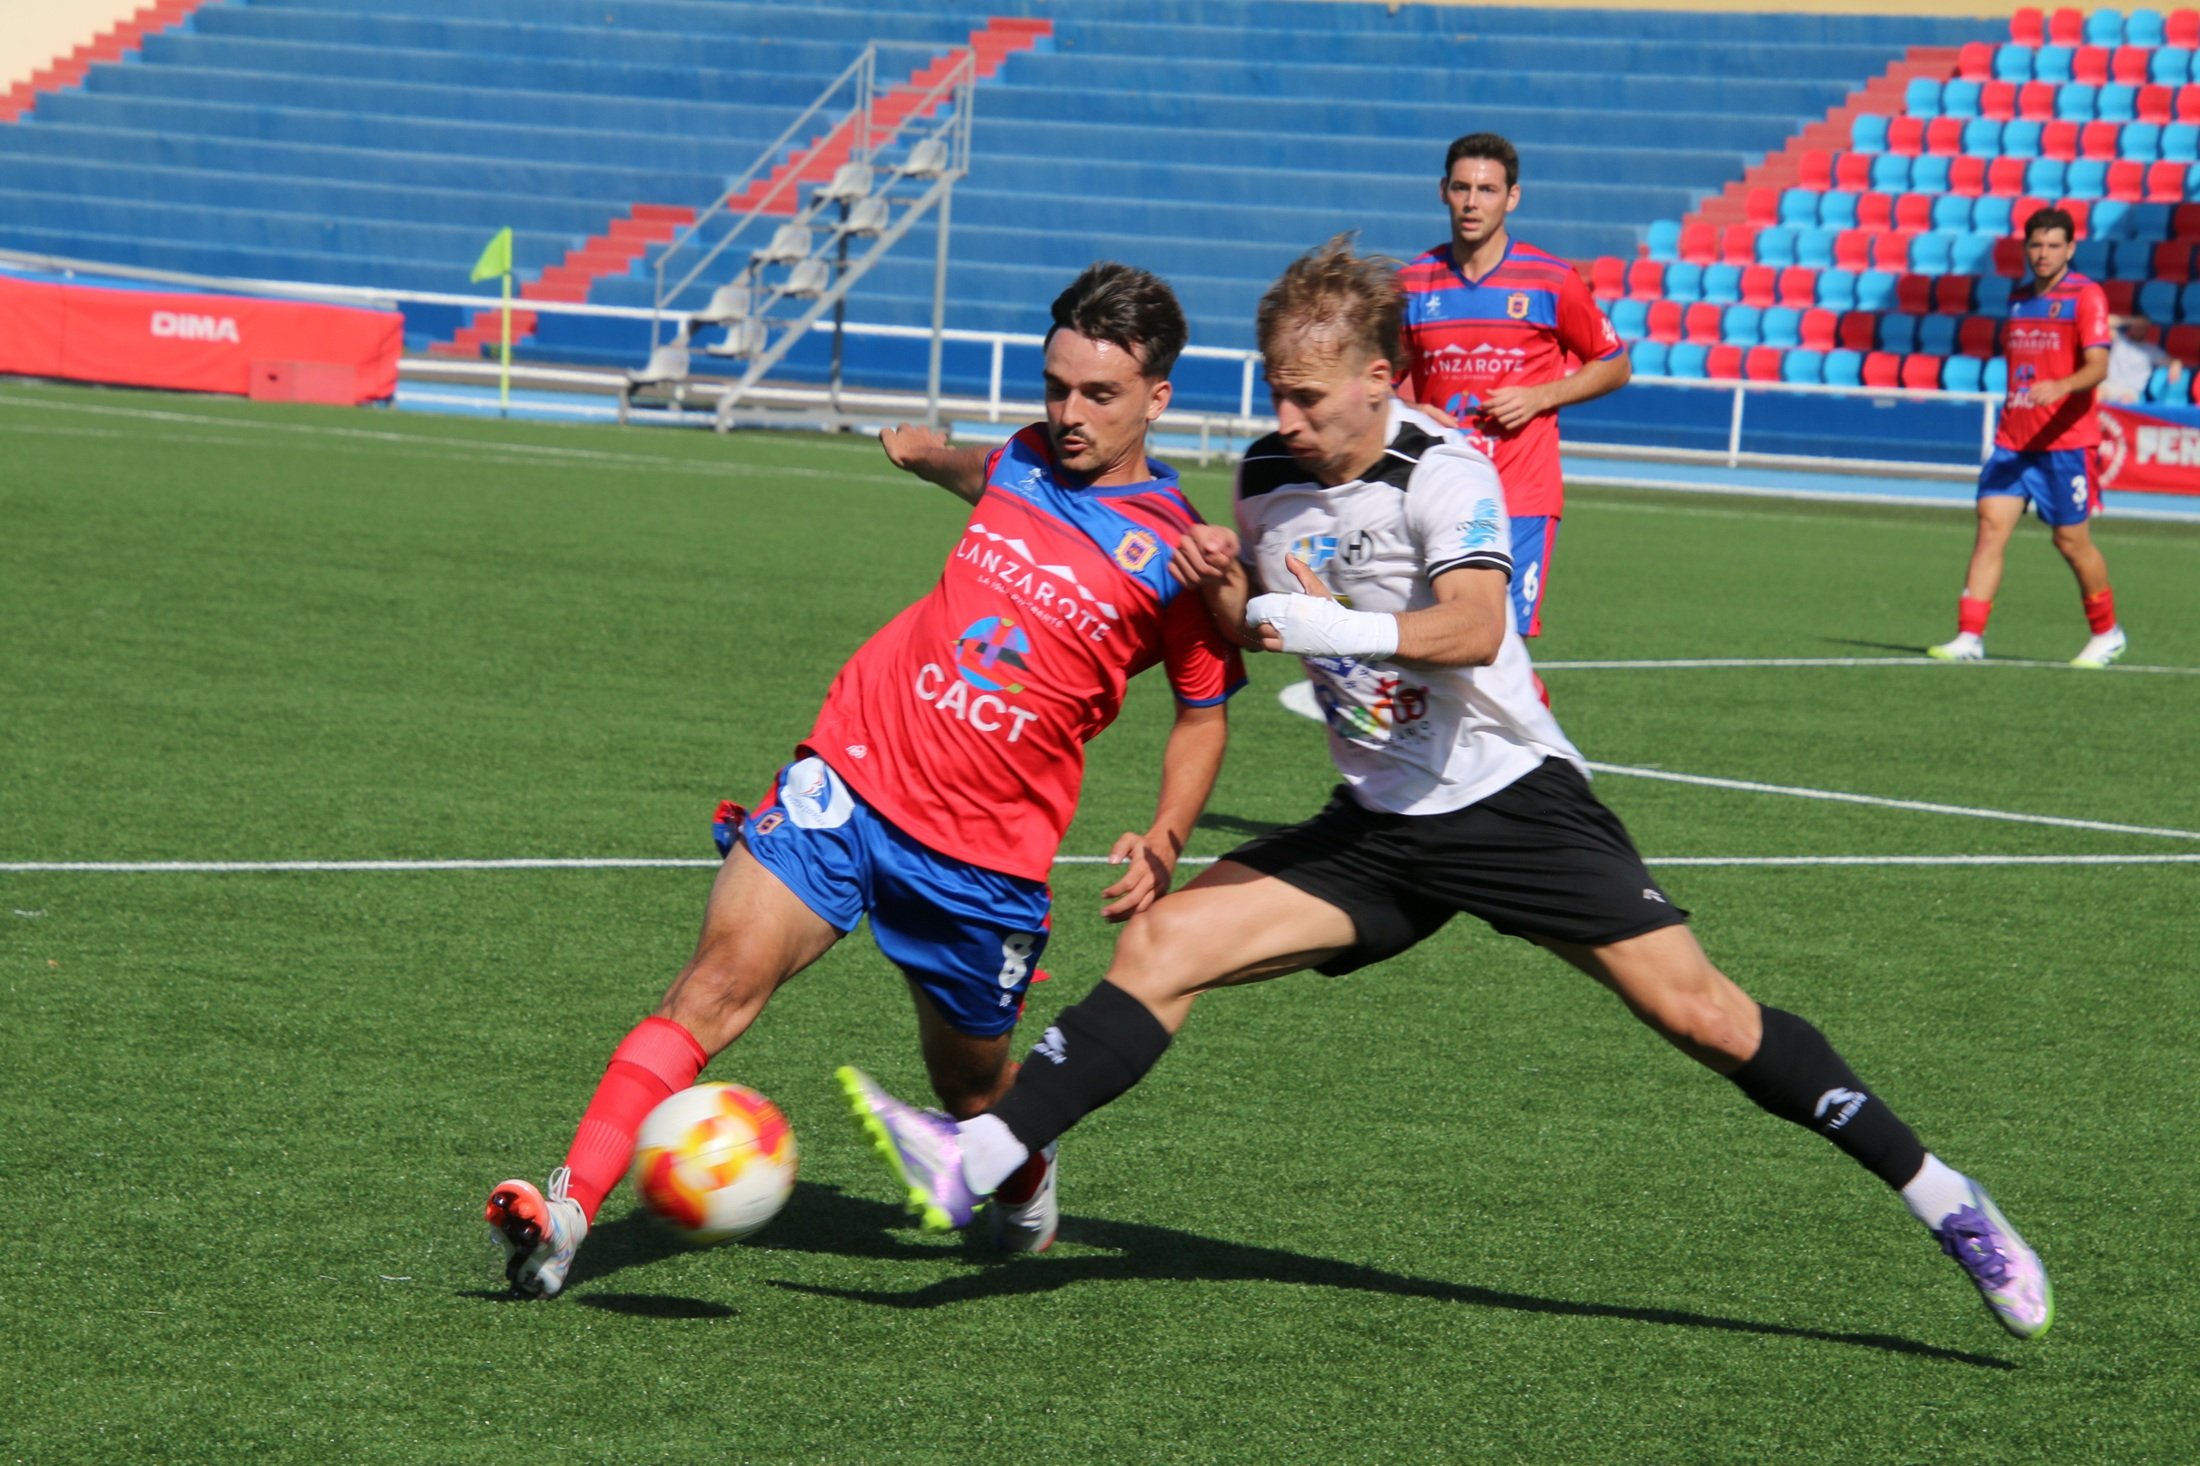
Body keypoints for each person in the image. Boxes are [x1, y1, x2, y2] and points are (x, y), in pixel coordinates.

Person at [840, 238, 2052, 1343]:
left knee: (1707, 1019)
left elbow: (1471, 628)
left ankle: (1945, 1195)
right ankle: (983, 1152)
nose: (1286, 417)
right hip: (1374, 829)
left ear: (1378, 378)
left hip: (1510, 804)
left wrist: (1294, 611)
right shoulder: (1267, 475)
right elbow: (1239, 629)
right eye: (1274, 390)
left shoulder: (1448, 470)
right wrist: (1216, 576)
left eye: (1309, 396)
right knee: (1161, 947)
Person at [486, 262, 1246, 1295]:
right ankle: (567, 1210)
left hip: (982, 857)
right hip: (851, 772)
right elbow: (995, 475)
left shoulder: (1176, 555)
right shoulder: (1027, 455)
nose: (1067, 415)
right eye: (1054, 385)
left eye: (1098, 395)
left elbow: (1204, 712)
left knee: (972, 1086)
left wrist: (1165, 832)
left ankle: (1022, 1165)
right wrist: (928, 454)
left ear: (1157, 397)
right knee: (713, 984)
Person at [1395, 132, 1630, 641]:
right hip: (1441, 494)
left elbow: (1614, 363)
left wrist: (1540, 396)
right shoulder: (1413, 283)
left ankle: (1527, 723)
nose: (1472, 202)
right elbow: (1379, 386)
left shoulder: (1550, 279)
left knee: (1503, 652)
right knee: (1438, 646)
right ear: (1443, 191)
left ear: (1512, 197)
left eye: (1487, 190)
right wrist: (1412, 414)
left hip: (1523, 495)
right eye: (1462, 188)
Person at [1928, 207, 2127, 669]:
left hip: (2066, 443)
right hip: (2014, 440)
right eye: (2036, 245)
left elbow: (2098, 366)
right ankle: (1969, 636)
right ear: (2025, 249)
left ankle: (2107, 631)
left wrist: (2062, 385)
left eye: (2054, 245)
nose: (2043, 254)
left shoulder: (2087, 296)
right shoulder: (2019, 299)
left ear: (2070, 249)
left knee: (2070, 542)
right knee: (1990, 528)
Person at [2100, 312, 2181, 404]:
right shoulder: (2119, 341)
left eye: (2143, 327)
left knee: (2126, 402)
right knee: (2097, 395)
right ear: (2131, 327)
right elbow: (2103, 322)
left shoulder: (2152, 350)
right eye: (2136, 326)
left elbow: (2172, 361)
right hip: (2108, 385)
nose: (2139, 329)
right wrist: (2131, 321)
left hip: (2130, 391)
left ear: (2147, 330)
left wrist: (2176, 364)